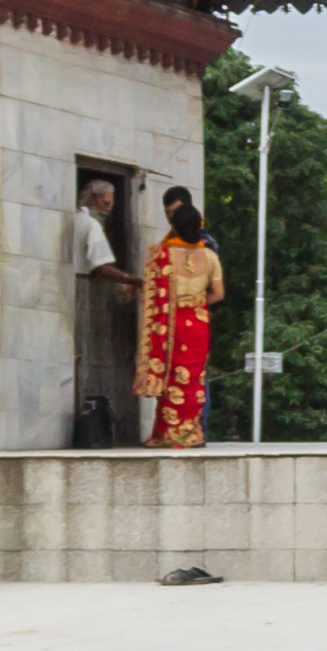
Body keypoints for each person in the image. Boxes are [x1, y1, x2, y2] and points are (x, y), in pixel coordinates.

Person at [138, 191, 222, 447]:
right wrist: (196, 306)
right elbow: (218, 294)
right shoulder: (210, 256)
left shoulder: (162, 255)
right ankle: (191, 433)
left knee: (170, 376)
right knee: (194, 377)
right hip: (197, 321)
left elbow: (151, 294)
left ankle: (166, 433)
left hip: (170, 321)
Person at [70, 173, 137, 442]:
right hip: (83, 289)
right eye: (107, 204)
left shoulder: (75, 219)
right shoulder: (89, 223)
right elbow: (99, 266)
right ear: (95, 198)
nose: (109, 210)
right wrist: (131, 279)